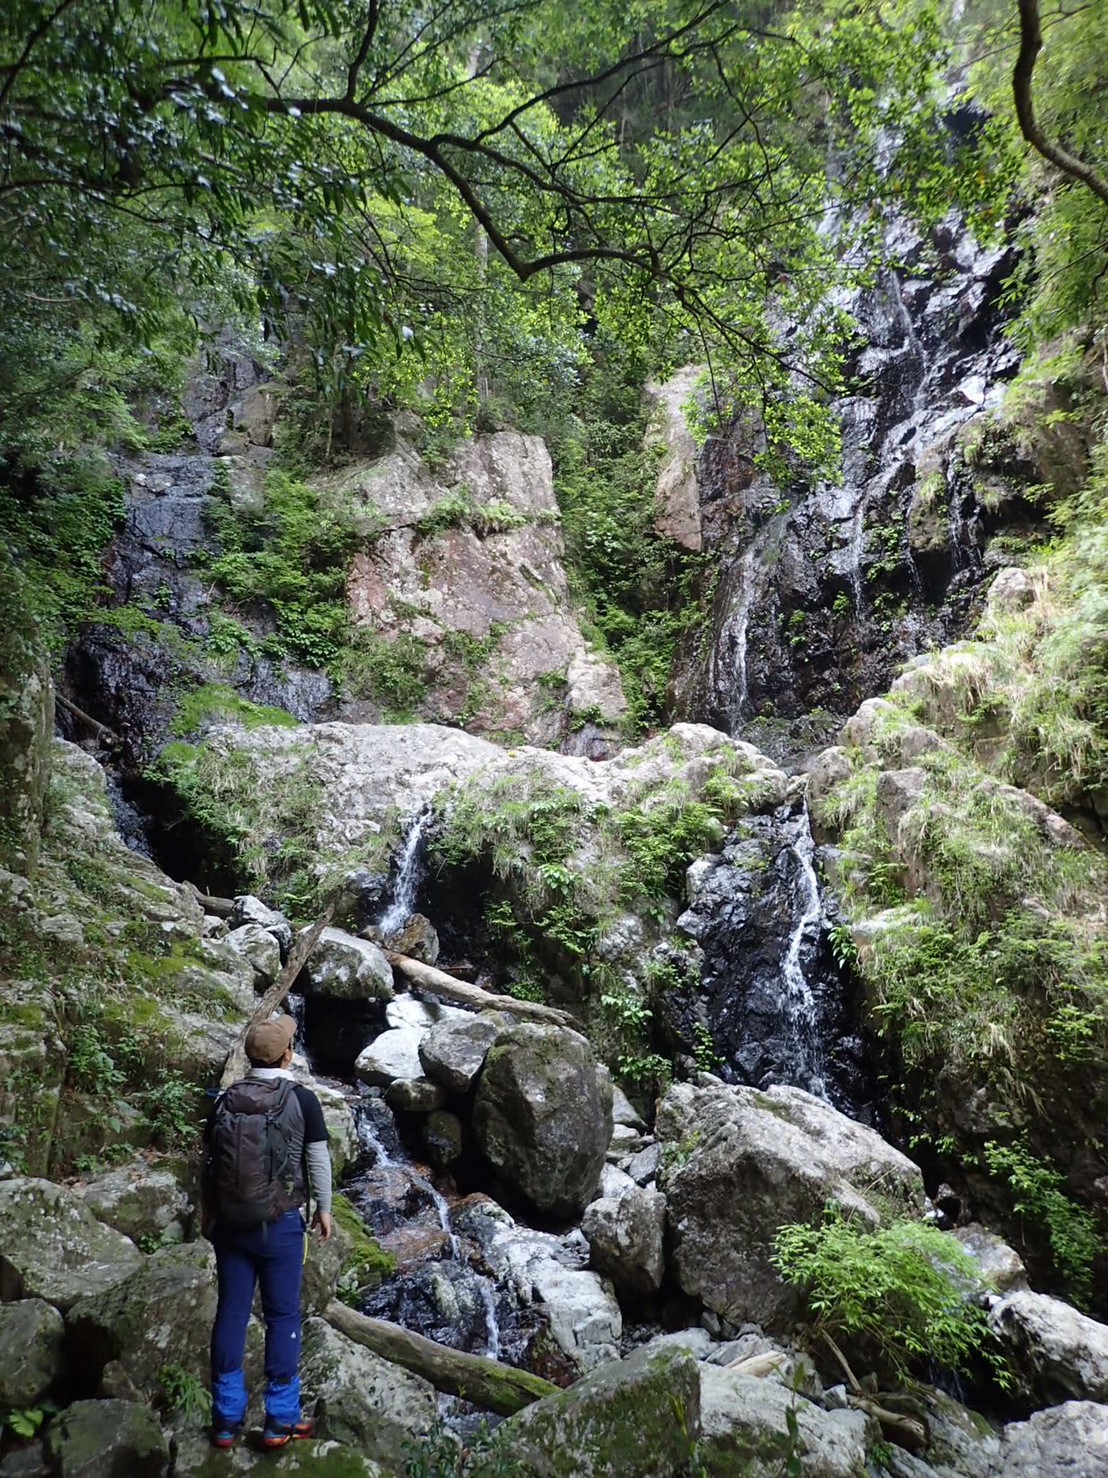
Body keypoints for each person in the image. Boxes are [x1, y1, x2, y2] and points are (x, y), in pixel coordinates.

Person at [202, 1014, 333, 1451]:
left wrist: (210, 1214)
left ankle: (225, 1419)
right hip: (280, 1225)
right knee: (282, 1316)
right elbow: (317, 1159)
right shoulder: (302, 1099)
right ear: (287, 1056)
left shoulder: (225, 1100)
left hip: (230, 1225)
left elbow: (209, 1163)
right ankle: (280, 1418)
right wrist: (324, 1209)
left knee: (231, 1313)